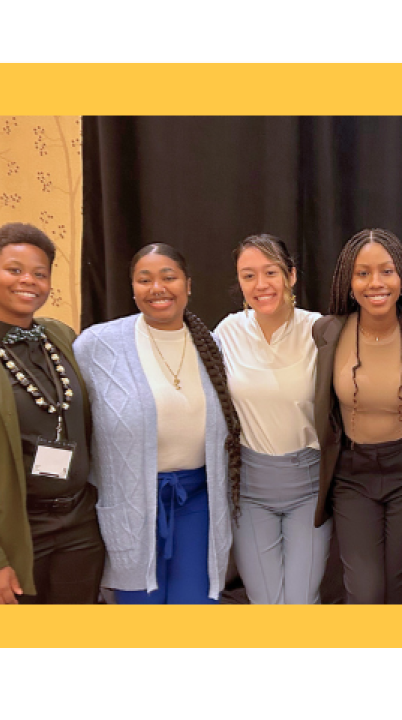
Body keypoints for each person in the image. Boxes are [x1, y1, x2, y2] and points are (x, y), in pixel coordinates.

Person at [73, 243, 242, 604]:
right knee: (140, 607)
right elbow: (71, 422)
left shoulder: (211, 346)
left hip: (199, 502)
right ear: (132, 288)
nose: (157, 288)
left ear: (188, 285)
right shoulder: (97, 346)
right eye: (144, 279)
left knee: (195, 604)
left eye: (169, 277)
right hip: (130, 502)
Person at [0, 222, 105, 604]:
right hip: (15, 530)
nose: (28, 281)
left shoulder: (61, 336)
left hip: (80, 527)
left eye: (40, 274)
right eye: (14, 270)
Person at [312, 229, 402, 604]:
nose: (376, 283)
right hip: (352, 475)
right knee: (365, 592)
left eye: (386, 271)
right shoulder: (328, 331)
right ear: (348, 282)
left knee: (398, 588)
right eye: (363, 273)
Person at [213, 234, 331, 604]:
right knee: (266, 604)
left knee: (299, 603)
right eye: (248, 276)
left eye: (271, 272)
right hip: (250, 490)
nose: (261, 285)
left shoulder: (321, 330)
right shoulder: (226, 333)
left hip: (309, 488)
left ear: (291, 275)